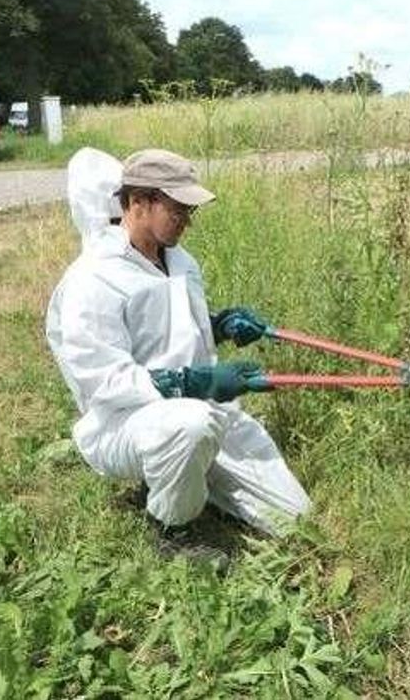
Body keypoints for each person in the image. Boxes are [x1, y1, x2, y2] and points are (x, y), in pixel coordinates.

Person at [46, 148, 311, 555]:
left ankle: (181, 476)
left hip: (198, 410)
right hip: (125, 423)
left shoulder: (182, 261)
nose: (187, 221)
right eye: (178, 209)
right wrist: (191, 382)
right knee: (190, 426)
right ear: (137, 202)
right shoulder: (94, 279)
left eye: (190, 211)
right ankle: (171, 532)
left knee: (295, 520)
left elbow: (178, 328)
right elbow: (103, 381)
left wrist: (220, 325)